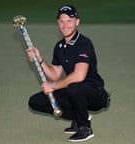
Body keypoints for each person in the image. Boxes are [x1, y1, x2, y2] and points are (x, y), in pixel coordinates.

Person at [26, 4, 110, 142]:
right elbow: (54, 74)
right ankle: (79, 116)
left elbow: (79, 76)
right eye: (61, 21)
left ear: (77, 22)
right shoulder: (59, 46)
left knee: (73, 88)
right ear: (58, 23)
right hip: (75, 91)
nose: (65, 25)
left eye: (69, 21)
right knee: (36, 101)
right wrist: (39, 60)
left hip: (95, 94)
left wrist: (53, 86)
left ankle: (85, 128)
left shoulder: (84, 43)